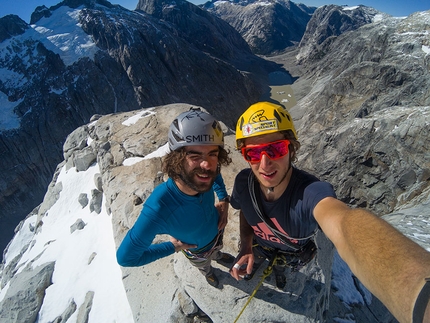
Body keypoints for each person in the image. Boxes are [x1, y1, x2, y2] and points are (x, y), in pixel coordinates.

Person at [229, 101, 430, 323]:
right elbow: (246, 212)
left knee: (282, 269)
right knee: (268, 262)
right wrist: (246, 247)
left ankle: (279, 271)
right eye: (253, 154)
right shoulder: (243, 184)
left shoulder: (311, 192)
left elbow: (344, 224)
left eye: (276, 149)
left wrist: (419, 295)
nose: (265, 164)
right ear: (245, 156)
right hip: (261, 248)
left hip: (292, 255)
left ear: (291, 149)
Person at [117, 107, 234, 288]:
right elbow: (127, 258)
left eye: (213, 154)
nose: (206, 164)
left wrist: (223, 199)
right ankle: (208, 272)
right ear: (177, 158)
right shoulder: (159, 207)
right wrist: (173, 247)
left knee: (217, 249)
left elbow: (215, 172)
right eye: (194, 155)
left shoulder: (203, 174)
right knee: (203, 265)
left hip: (216, 232)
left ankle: (217, 255)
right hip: (197, 251)